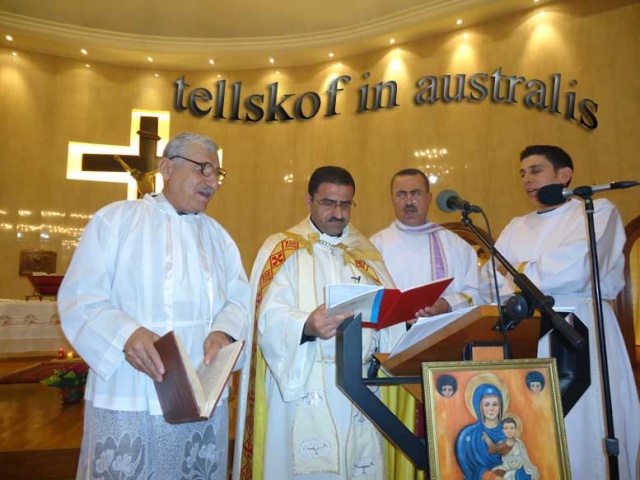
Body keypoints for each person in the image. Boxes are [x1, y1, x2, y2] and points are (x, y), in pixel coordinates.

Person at [58, 132, 250, 480]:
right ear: (166, 168)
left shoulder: (220, 238)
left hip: (199, 395)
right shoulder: (115, 221)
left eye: (217, 174)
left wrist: (223, 331)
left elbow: (239, 300)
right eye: (203, 169)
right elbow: (80, 297)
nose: (213, 182)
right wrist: (126, 334)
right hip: (130, 389)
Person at [235, 166, 406, 480]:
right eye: (328, 203)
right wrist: (306, 326)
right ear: (308, 200)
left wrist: (404, 321)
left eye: (345, 204)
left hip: (361, 387)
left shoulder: (365, 253)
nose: (338, 213)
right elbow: (266, 317)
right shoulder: (282, 249)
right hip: (305, 378)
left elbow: (388, 314)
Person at [482, 145, 640, 480]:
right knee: (534, 427)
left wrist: (516, 272)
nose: (526, 179)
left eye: (536, 170)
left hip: (579, 323)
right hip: (526, 332)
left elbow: (579, 269)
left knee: (583, 424)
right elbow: (487, 281)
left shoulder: (595, 210)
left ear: (564, 175)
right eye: (522, 173)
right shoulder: (515, 226)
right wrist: (528, 273)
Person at [370, 168, 479, 318]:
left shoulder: (455, 245)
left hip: (444, 334)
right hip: (394, 336)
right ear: (392, 199)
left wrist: (446, 304)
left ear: (429, 198)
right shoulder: (374, 247)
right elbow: (367, 301)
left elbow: (476, 294)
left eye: (416, 193)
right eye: (401, 194)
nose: (408, 201)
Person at [455, 383, 507, 478]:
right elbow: (468, 467)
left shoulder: (508, 432)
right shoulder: (469, 435)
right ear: (479, 408)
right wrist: (488, 476)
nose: (491, 409)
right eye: (486, 405)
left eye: (495, 404)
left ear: (500, 406)